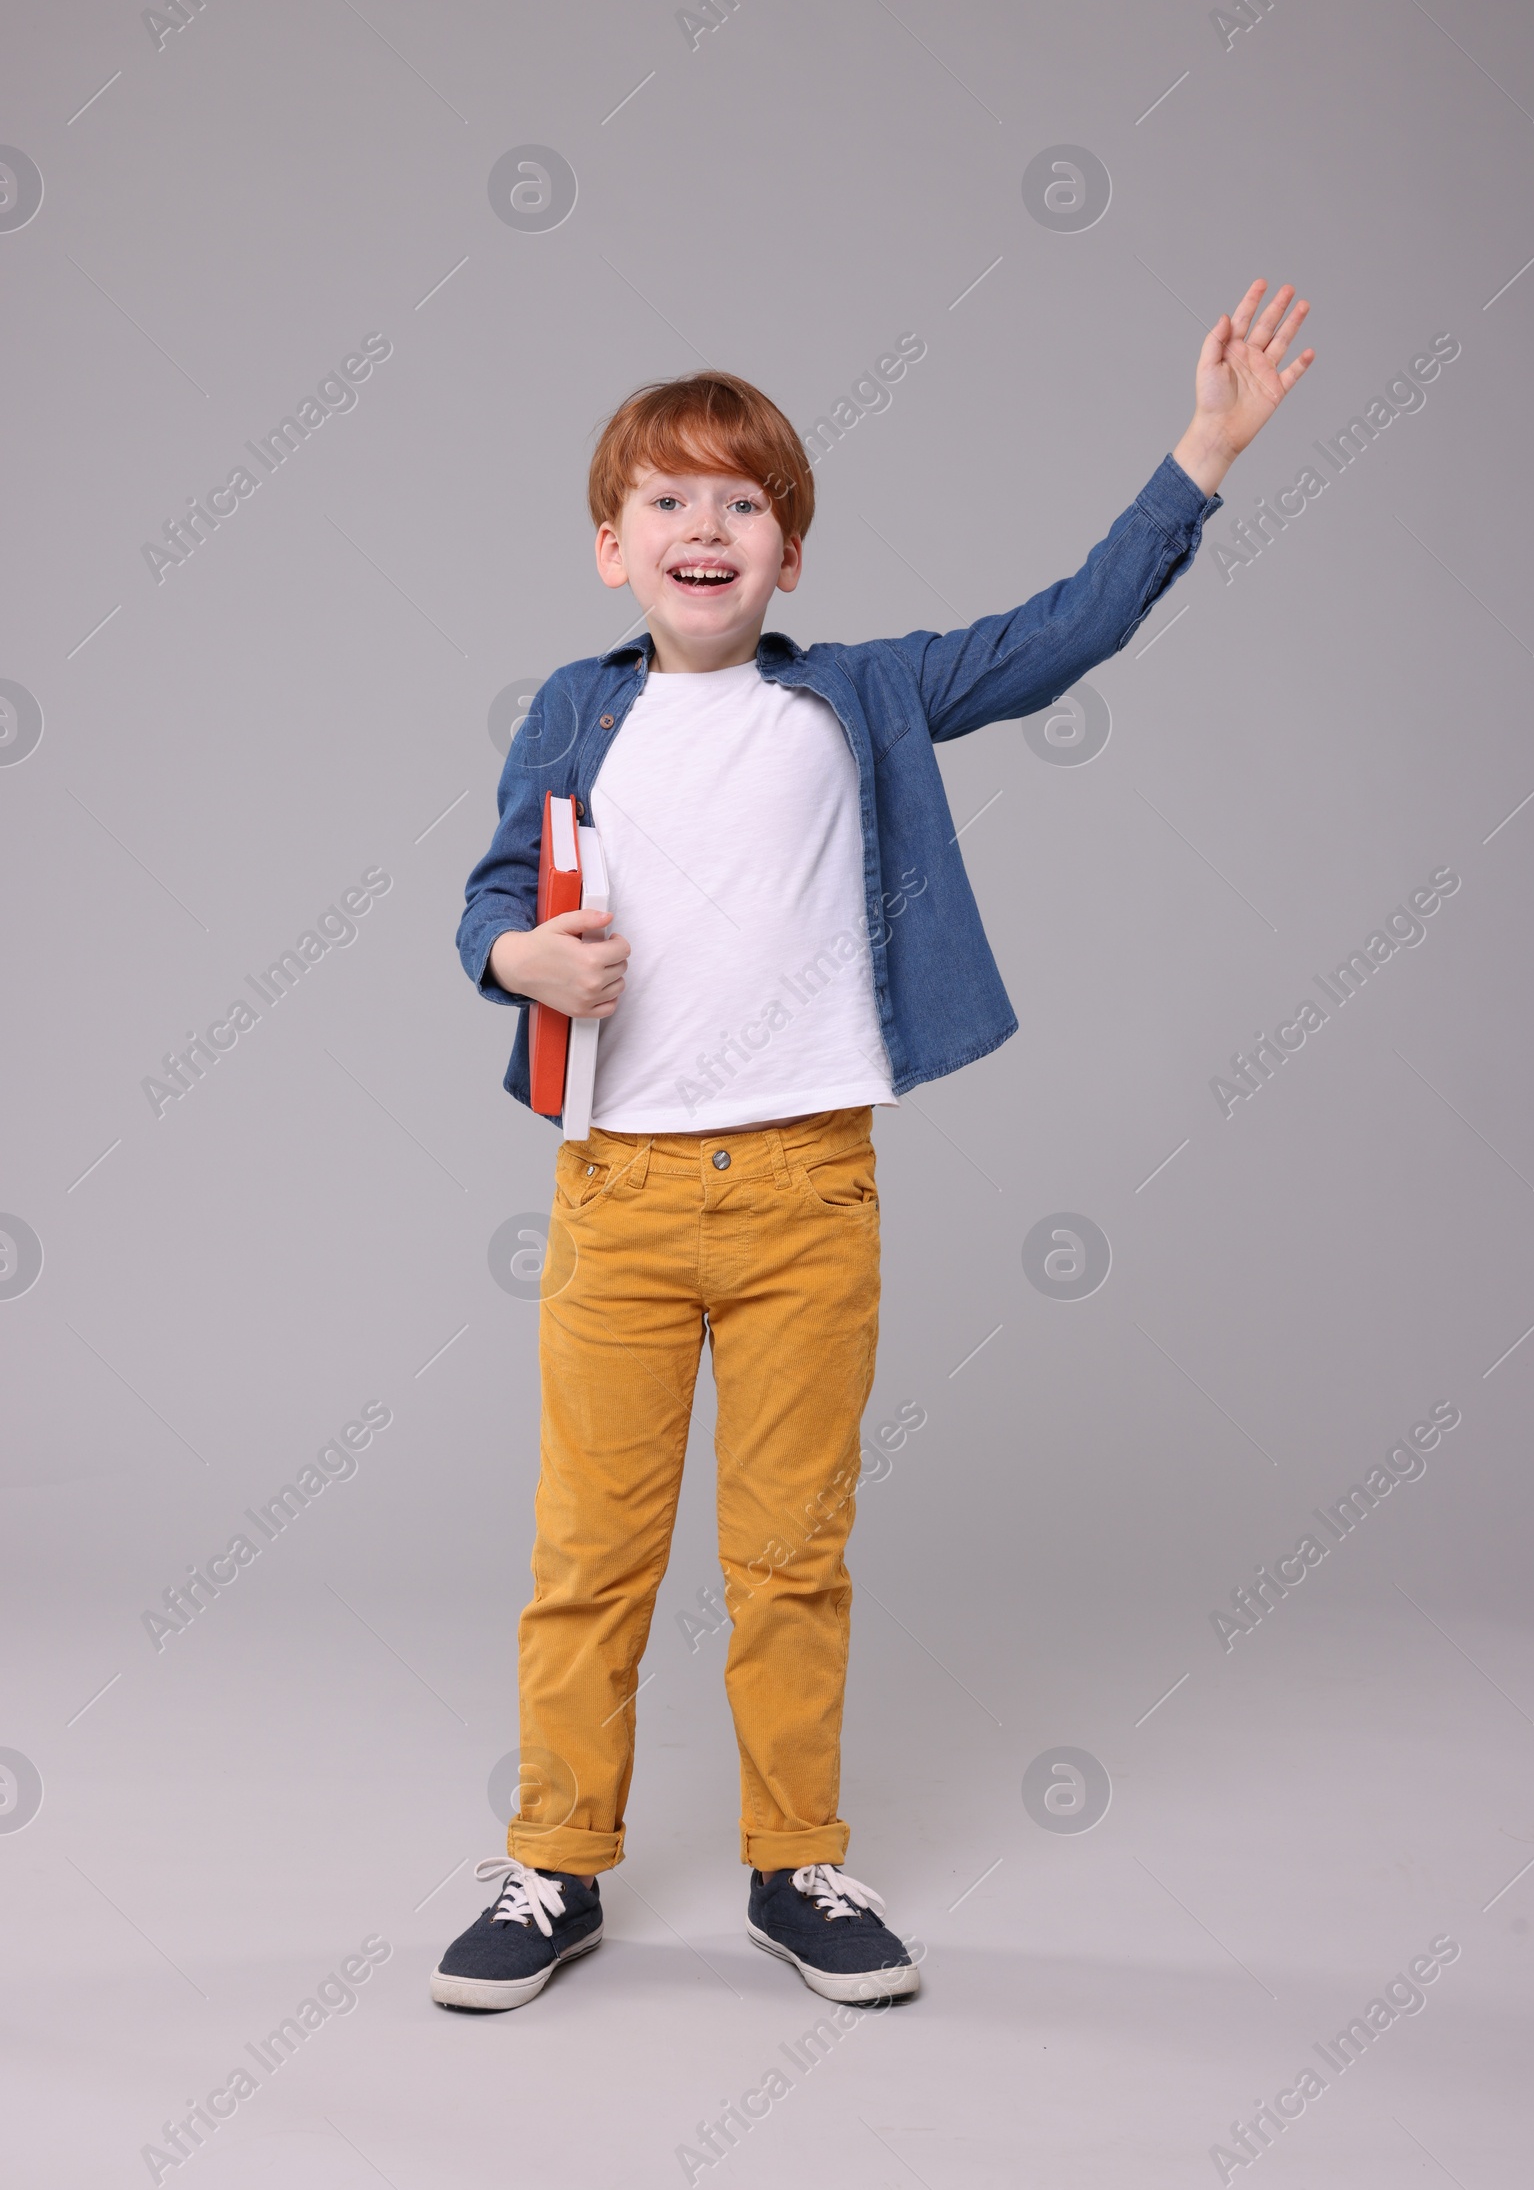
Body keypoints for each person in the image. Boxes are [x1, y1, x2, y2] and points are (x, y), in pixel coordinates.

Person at [432, 281, 1314, 2012]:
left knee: (789, 1555)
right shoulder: (574, 710)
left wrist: (1200, 456)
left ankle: (794, 1863)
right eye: (669, 500)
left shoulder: (865, 697)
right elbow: (486, 900)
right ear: (611, 547)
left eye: (742, 502)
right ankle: (554, 1868)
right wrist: (515, 957)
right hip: (616, 1199)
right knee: (588, 1553)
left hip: (806, 1193)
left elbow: (1065, 631)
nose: (707, 525)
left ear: (790, 555)